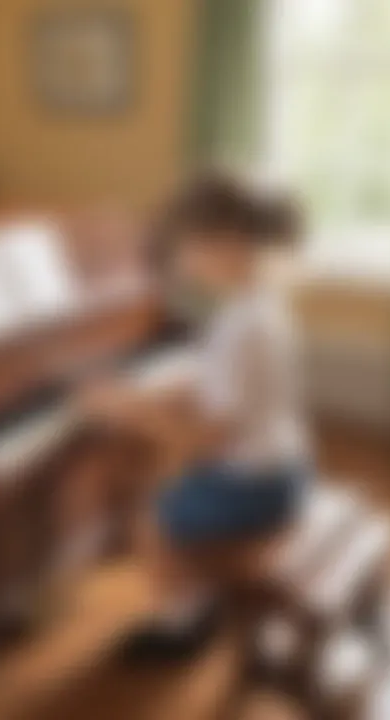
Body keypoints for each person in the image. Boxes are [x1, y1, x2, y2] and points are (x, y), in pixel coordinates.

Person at [77, 169, 310, 660]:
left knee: (152, 513)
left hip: (257, 485)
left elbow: (206, 441)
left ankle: (180, 621)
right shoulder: (262, 306)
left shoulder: (238, 327)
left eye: (184, 244)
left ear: (225, 243)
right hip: (286, 467)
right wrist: (154, 392)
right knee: (173, 486)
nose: (178, 257)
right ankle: (194, 599)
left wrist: (125, 406)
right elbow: (223, 384)